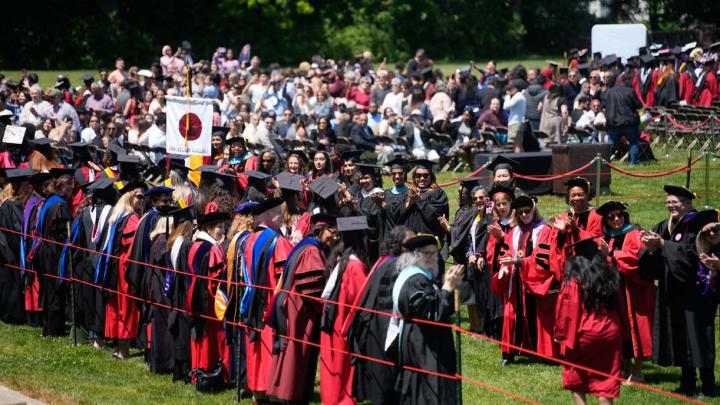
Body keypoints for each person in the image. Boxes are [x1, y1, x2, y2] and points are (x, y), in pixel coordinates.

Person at [639, 185, 719, 397]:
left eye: (676, 202)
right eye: (668, 202)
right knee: (680, 336)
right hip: (672, 290)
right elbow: (654, 255)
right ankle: (687, 382)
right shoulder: (665, 224)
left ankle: (709, 385)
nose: (671, 206)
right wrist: (652, 248)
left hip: (696, 291)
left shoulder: (698, 223)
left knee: (699, 336)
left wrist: (664, 244)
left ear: (689, 202)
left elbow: (692, 256)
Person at [266, 213, 338, 403]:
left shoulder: (305, 246)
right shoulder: (311, 251)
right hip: (300, 310)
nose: (335, 236)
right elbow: (312, 288)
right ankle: (290, 394)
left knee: (290, 351)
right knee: (295, 353)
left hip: (293, 305)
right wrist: (326, 307)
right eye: (331, 231)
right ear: (319, 230)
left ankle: (283, 391)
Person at [388, 234, 463, 404]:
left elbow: (441, 309)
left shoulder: (419, 276)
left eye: (434, 254)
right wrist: (447, 288)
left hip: (421, 344)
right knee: (431, 394)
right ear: (415, 257)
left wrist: (445, 287)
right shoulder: (416, 280)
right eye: (427, 254)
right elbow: (432, 315)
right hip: (425, 349)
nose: (433, 258)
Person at [348, 226, 414, 404]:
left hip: (374, 329)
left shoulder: (383, 261)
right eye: (410, 242)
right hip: (385, 334)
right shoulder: (395, 266)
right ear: (399, 245)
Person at [490, 194, 555, 364]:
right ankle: (509, 352)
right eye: (520, 212)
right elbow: (505, 252)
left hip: (535, 281)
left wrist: (519, 261)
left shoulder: (545, 230)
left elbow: (543, 260)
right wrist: (504, 266)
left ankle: (543, 353)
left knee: (537, 316)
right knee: (512, 316)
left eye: (527, 211)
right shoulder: (514, 231)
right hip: (516, 282)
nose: (524, 215)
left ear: (534, 211)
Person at [594, 201, 655, 382]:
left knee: (637, 327)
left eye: (619, 214)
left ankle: (638, 370)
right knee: (622, 329)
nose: (616, 219)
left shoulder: (634, 233)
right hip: (616, 290)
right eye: (611, 217)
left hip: (634, 291)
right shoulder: (608, 237)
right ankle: (625, 367)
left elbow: (636, 260)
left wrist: (612, 254)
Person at [242, 198, 293, 401]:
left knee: (257, 350)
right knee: (270, 349)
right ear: (269, 216)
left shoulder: (249, 240)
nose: (282, 217)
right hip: (271, 308)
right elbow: (285, 277)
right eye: (279, 213)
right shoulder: (277, 241)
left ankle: (258, 391)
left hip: (252, 304)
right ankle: (275, 393)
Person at [555, 252, 623, 405]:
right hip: (611, 330)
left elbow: (569, 310)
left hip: (586, 331)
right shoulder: (609, 275)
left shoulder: (575, 280)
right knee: (607, 379)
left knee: (575, 372)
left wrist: (563, 334)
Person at [319, 216, 370, 405]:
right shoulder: (355, 266)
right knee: (341, 369)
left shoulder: (341, 259)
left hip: (334, 323)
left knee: (333, 369)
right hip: (343, 325)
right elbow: (360, 300)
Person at [97, 180, 147, 359]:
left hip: (114, 268)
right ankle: (124, 350)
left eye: (143, 197)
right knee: (126, 307)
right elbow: (134, 246)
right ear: (129, 197)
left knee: (117, 306)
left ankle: (118, 348)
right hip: (125, 269)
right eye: (139, 196)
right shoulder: (132, 218)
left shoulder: (117, 215)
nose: (142, 200)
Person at [0, 168, 33, 324]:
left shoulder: (8, 203)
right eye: (26, 184)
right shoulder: (14, 205)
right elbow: (17, 229)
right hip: (10, 249)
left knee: (7, 281)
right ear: (19, 186)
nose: (29, 187)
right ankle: (13, 315)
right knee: (12, 282)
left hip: (4, 246)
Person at [403, 159, 449, 247]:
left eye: (425, 175)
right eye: (418, 175)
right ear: (414, 177)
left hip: (429, 242)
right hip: (410, 242)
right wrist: (409, 203)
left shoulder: (438, 193)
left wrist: (418, 200)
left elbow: (435, 216)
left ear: (431, 177)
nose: (422, 178)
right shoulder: (409, 193)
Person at [604, 73, 643, 166]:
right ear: (627, 81)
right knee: (633, 142)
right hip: (628, 122)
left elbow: (606, 105)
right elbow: (638, 105)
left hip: (613, 122)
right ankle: (633, 162)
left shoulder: (609, 91)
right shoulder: (630, 91)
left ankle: (604, 161)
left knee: (610, 143)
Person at [503, 80, 527, 153]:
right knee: (519, 144)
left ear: (516, 88)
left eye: (511, 89)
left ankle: (519, 161)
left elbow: (505, 106)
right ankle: (523, 160)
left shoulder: (517, 96)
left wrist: (507, 96)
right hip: (518, 122)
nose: (509, 90)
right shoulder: (520, 96)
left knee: (515, 145)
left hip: (515, 123)